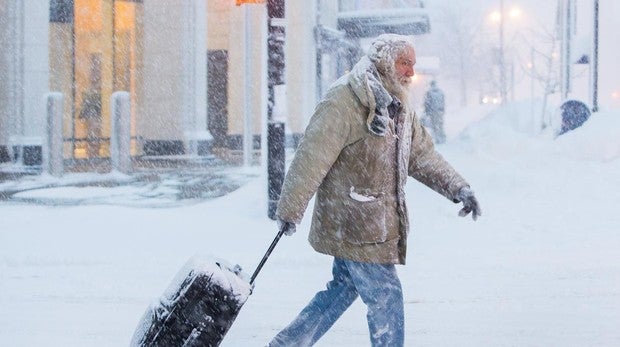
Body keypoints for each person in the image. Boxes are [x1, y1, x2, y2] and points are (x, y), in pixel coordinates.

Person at [270, 34, 481, 347]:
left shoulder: (400, 107)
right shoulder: (345, 98)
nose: (411, 72)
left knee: (342, 289)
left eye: (413, 64)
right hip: (355, 220)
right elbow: (312, 156)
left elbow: (421, 155)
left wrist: (458, 187)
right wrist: (291, 209)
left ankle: (286, 344)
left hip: (374, 221)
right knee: (386, 297)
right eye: (404, 63)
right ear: (385, 62)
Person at [423, 80, 446, 144]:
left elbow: (427, 103)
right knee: (440, 124)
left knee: (434, 125)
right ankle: (442, 137)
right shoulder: (441, 92)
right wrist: (442, 110)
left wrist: (427, 112)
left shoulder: (429, 92)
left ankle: (437, 139)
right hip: (440, 111)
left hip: (433, 112)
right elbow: (443, 101)